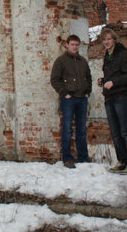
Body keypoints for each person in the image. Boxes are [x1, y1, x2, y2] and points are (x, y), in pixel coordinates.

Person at [98, 28, 127, 175]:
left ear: (114, 40)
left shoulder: (123, 54)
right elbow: (112, 75)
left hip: (121, 96)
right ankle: (122, 161)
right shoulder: (107, 56)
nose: (106, 42)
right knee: (115, 132)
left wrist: (114, 82)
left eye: (109, 39)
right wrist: (103, 81)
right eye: (104, 39)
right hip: (109, 97)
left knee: (126, 130)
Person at [50, 34, 92, 168]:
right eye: (72, 44)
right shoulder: (61, 61)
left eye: (77, 45)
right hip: (69, 99)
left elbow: (89, 78)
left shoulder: (82, 61)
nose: (74, 47)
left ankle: (83, 158)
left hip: (82, 99)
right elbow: (54, 79)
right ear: (67, 45)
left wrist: (87, 92)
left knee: (81, 129)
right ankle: (67, 158)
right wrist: (64, 93)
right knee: (67, 129)